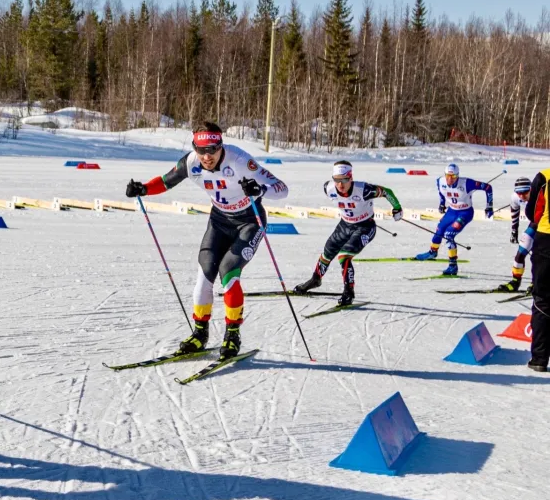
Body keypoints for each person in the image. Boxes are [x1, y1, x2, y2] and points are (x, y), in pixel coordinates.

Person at [126, 122, 288, 359]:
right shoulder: (191, 162)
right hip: (219, 221)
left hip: (249, 222)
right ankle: (200, 334)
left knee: (228, 270)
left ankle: (232, 336)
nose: (206, 156)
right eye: (201, 150)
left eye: (212, 149)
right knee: (205, 271)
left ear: (220, 146)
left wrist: (260, 189)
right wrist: (143, 189)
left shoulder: (241, 161)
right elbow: (166, 180)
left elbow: (282, 189)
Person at [292, 161, 403, 305]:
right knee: (328, 252)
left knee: (344, 256)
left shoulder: (364, 190)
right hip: (345, 225)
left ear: (350, 178)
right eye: (337, 180)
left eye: (344, 179)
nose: (340, 184)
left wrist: (397, 208)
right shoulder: (328, 188)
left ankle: (349, 291)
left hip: (365, 227)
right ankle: (315, 279)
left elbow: (387, 191)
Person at [413, 163, 493, 276]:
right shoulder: (440, 181)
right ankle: (433, 252)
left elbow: (488, 187)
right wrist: (442, 204)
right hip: (451, 211)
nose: (450, 179)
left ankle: (453, 266)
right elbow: (441, 192)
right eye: (448, 176)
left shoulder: (467, 183)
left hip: (465, 213)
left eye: (453, 177)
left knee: (449, 234)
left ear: (458, 176)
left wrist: (489, 206)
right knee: (439, 230)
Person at [524, 169, 550, 372]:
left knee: (542, 300)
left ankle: (540, 358)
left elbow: (532, 213)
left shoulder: (544, 176)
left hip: (546, 242)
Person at [497, 176, 534, 292]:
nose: (522, 196)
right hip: (535, 224)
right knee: (520, 253)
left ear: (531, 189)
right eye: (519, 193)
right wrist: (514, 230)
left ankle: (537, 283)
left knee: (538, 256)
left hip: (545, 226)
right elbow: (515, 210)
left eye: (525, 192)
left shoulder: (539, 195)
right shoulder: (515, 197)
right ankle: (515, 282)